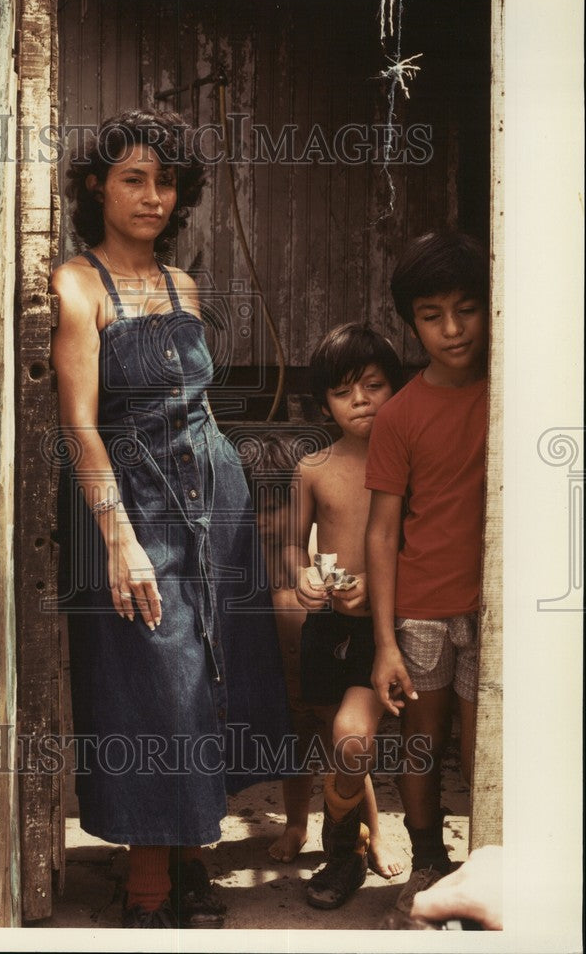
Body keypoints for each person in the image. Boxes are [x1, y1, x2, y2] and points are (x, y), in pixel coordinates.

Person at [51, 108, 292, 929]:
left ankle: (191, 857)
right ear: (97, 187)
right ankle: (149, 878)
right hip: (135, 506)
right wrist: (118, 539)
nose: (153, 196)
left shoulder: (184, 287)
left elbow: (199, 405)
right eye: (133, 179)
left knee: (216, 673)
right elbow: (80, 425)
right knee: (154, 683)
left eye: (166, 181)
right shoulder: (78, 285)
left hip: (212, 503)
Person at [365, 231, 489, 914]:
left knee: (483, 750)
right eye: (432, 315)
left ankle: (487, 864)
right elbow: (383, 533)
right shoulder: (399, 415)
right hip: (420, 612)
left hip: (492, 609)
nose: (453, 329)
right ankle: (427, 860)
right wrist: (385, 641)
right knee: (422, 742)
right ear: (411, 324)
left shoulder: (510, 395)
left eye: (466, 309)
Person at [277, 324, 405, 908]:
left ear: (395, 388)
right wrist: (303, 575)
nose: (360, 401)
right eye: (342, 391)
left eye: (373, 385)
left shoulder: (411, 464)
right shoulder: (314, 467)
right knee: (345, 743)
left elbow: (418, 546)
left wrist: (380, 591)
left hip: (383, 628)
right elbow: (289, 542)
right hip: (328, 627)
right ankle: (364, 835)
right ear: (323, 403)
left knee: (352, 737)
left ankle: (344, 852)